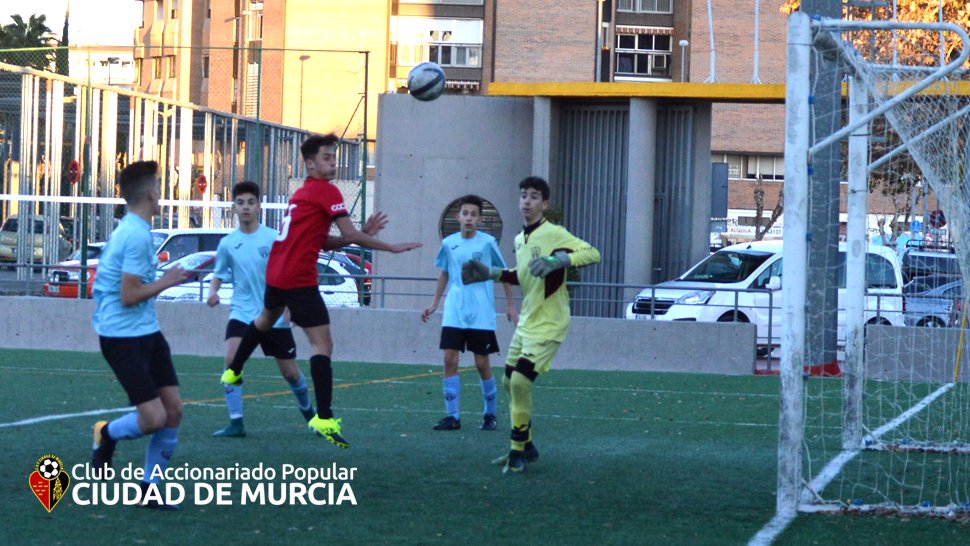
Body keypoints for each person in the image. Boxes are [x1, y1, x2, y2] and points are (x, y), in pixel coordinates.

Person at [219, 133, 421, 449]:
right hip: (298, 279)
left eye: (333, 156)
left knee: (264, 320)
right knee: (322, 344)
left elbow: (323, 241)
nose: (333, 162)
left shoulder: (303, 193)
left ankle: (232, 372)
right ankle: (324, 418)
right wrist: (389, 247)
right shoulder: (327, 191)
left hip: (276, 273)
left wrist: (359, 235)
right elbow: (349, 232)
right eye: (327, 157)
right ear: (311, 163)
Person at [462, 176, 600, 474]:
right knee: (508, 381)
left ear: (545, 204)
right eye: (523, 195)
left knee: (522, 381)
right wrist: (490, 273)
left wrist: (559, 260)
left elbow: (592, 253)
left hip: (550, 322)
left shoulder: (554, 233)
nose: (527, 200)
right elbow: (520, 275)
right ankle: (528, 444)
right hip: (527, 322)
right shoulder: (519, 238)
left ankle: (516, 450)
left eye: (534, 196)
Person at [90, 160, 192, 509]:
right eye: (159, 188)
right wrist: (167, 281)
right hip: (121, 337)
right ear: (151, 194)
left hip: (147, 332)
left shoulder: (137, 230)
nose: (161, 195)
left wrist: (162, 280)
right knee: (154, 419)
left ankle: (150, 489)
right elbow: (128, 295)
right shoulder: (134, 235)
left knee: (173, 411)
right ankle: (107, 434)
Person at [420, 194, 517, 432]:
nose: (469, 218)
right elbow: (444, 272)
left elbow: (503, 273)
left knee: (481, 363)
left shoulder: (487, 243)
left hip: (481, 313)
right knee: (449, 359)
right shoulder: (449, 243)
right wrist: (434, 303)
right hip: (454, 311)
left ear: (480, 219)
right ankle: (452, 416)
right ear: (458, 217)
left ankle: (490, 414)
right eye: (466, 213)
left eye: (474, 214)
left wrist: (511, 305)